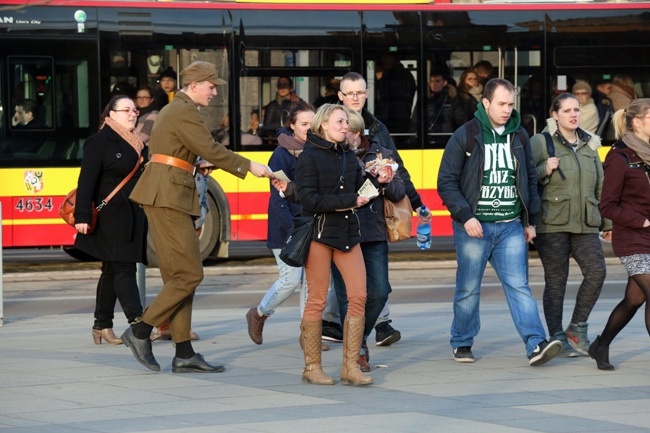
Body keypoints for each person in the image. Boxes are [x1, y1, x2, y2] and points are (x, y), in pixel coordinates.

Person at [124, 61, 273, 373]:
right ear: (194, 85)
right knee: (189, 275)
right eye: (211, 85)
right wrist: (249, 166)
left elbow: (192, 150)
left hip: (167, 193)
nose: (214, 90)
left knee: (179, 277)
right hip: (168, 196)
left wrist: (197, 162)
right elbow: (210, 147)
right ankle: (140, 331)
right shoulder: (183, 111)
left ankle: (184, 352)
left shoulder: (175, 110)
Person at [437, 78, 562, 366]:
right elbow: (446, 182)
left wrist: (529, 220)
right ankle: (462, 341)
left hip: (510, 227)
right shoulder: (465, 135)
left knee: (519, 287)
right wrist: (466, 216)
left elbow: (529, 179)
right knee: (468, 288)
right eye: (502, 104)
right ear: (486, 103)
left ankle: (536, 343)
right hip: (475, 228)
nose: (507, 110)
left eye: (511, 104)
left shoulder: (519, 136)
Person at [325, 71, 427, 347]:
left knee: (377, 289)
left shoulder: (379, 132)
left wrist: (414, 200)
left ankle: (362, 331)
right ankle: (352, 344)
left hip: (372, 227)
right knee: (347, 291)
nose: (356, 97)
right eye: (350, 93)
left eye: (360, 92)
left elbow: (398, 171)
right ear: (341, 96)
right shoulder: (327, 135)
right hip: (339, 228)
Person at [295, 103, 371, 386]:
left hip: (348, 234)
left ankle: (350, 366)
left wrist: (377, 181)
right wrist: (349, 201)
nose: (345, 127)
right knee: (316, 299)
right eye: (339, 122)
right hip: (319, 234)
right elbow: (309, 201)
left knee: (359, 295)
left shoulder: (349, 156)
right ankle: (312, 367)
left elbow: (359, 191)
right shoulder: (309, 156)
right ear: (323, 124)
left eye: (346, 123)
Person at [531, 92, 609, 358]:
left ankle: (577, 326)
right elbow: (525, 178)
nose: (574, 114)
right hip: (552, 223)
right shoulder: (541, 142)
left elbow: (600, 184)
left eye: (576, 109)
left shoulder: (590, 145)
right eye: (566, 111)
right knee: (556, 282)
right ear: (554, 114)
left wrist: (606, 221)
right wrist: (544, 169)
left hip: (586, 222)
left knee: (597, 271)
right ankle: (556, 335)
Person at [329, 110, 406, 372]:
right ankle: (356, 349)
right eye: (339, 126)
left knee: (380, 290)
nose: (342, 133)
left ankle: (358, 335)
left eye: (347, 129)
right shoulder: (334, 154)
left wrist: (385, 181)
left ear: (358, 133)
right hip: (341, 233)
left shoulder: (381, 152)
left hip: (373, 233)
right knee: (346, 296)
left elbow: (399, 191)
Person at [73, 95, 147, 346]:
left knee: (112, 269)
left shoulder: (137, 143)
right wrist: (82, 215)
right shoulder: (99, 142)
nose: (132, 114)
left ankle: (102, 324)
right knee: (124, 268)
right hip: (110, 217)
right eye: (126, 110)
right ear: (111, 114)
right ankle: (139, 325)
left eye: (135, 110)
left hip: (132, 216)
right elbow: (86, 181)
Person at [245, 100, 316, 345]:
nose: (309, 128)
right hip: (286, 226)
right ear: (292, 126)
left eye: (312, 123)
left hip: (312, 224)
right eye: (304, 124)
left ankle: (308, 334)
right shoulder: (281, 154)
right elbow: (279, 198)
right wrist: (291, 231)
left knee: (312, 282)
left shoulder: (318, 149)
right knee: (290, 280)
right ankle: (259, 313)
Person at [589, 98, 650, 371]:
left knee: (634, 299)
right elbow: (608, 205)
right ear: (636, 122)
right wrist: (643, 222)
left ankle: (601, 344)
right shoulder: (620, 156)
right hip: (633, 239)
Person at [374, 53, 417, 133]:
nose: (383, 60)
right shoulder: (407, 75)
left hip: (391, 121)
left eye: (386, 57)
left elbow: (384, 98)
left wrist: (379, 79)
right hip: (403, 120)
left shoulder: (392, 77)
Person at [412, 68, 456, 135]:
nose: (434, 84)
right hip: (426, 138)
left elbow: (460, 119)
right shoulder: (423, 99)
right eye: (431, 81)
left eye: (437, 81)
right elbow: (415, 121)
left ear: (445, 83)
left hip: (446, 137)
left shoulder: (451, 99)